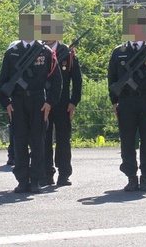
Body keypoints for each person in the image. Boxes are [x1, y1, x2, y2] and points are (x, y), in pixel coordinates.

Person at [0, 14, 61, 194]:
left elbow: (57, 80)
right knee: (19, 142)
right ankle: (22, 180)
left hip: (38, 101)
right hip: (17, 101)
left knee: (37, 141)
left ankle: (36, 180)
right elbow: (3, 81)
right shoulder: (12, 52)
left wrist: (50, 102)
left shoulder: (46, 52)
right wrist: (6, 103)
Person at [107, 8, 146, 192]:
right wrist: (114, 101)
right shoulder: (119, 52)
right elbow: (111, 78)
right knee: (127, 140)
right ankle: (131, 177)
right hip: (126, 101)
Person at [43, 19, 82, 187]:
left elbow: (77, 80)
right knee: (43, 138)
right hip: (43, 102)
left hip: (63, 103)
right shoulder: (38, 51)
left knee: (63, 139)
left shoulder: (68, 52)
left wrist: (74, 102)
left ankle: (64, 173)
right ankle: (46, 173)